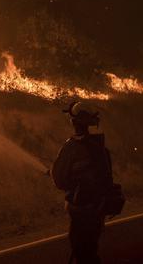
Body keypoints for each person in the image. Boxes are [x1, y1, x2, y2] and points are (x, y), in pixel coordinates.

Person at [50, 101, 114, 264]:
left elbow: (60, 180)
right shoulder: (100, 147)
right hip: (98, 208)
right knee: (90, 250)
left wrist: (53, 173)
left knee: (82, 252)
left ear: (74, 122)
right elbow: (106, 177)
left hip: (80, 208)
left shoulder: (71, 147)